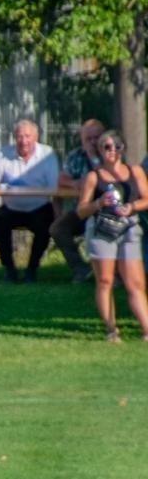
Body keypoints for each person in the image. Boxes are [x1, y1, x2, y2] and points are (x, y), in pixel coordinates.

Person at [77, 130, 148, 343]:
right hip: (102, 230)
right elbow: (81, 210)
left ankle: (146, 329)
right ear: (99, 150)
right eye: (106, 147)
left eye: (116, 146)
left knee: (135, 283)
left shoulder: (134, 172)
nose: (112, 151)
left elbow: (147, 198)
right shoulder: (93, 176)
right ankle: (111, 329)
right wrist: (98, 203)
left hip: (129, 228)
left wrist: (132, 206)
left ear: (122, 149)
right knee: (106, 280)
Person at [0, 119, 60, 283]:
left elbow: (55, 190)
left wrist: (58, 217)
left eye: (27, 136)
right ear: (15, 138)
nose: (23, 141)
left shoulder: (47, 155)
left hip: (39, 207)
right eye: (19, 136)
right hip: (11, 207)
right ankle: (9, 270)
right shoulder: (2, 154)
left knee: (46, 226)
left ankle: (32, 270)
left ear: (36, 137)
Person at [52, 118, 106, 283]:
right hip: (82, 209)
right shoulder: (75, 155)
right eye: (88, 139)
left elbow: (105, 180)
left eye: (96, 137)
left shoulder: (110, 153)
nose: (92, 142)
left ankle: (113, 273)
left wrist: (93, 157)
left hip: (107, 210)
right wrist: (74, 183)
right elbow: (61, 179)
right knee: (58, 228)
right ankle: (81, 269)